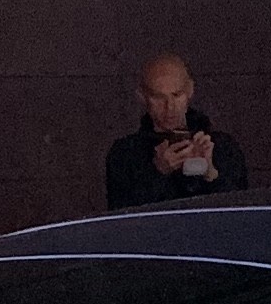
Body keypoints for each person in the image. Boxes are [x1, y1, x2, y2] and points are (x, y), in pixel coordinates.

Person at [103, 52, 248, 210]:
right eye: (158, 97)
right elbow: (121, 213)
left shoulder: (221, 146)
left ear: (189, 91)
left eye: (177, 95)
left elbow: (240, 210)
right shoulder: (125, 153)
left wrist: (210, 172)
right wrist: (158, 172)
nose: (169, 106)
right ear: (142, 97)